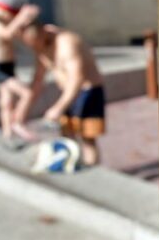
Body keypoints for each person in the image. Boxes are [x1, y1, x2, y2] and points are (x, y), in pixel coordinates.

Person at [18, 21, 106, 166]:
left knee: (87, 138)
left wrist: (58, 107)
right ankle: (71, 165)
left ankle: (92, 170)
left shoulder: (68, 42)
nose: (35, 48)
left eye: (36, 43)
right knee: (66, 135)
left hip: (88, 91)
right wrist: (22, 111)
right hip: (67, 92)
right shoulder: (41, 47)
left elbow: (77, 78)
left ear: (43, 33)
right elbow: (38, 80)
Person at [0, 0, 40, 145]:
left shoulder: (3, 21)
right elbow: (6, 34)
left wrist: (26, 20)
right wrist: (20, 18)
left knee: (6, 102)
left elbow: (16, 34)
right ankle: (18, 122)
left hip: (9, 65)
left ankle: (7, 134)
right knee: (26, 93)